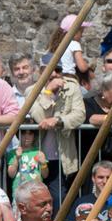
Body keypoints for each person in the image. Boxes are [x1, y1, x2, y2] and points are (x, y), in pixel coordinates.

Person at [28, 67, 84, 200]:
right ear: (40, 72)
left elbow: (80, 114)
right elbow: (40, 118)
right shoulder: (32, 90)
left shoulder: (72, 88)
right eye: (47, 69)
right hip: (37, 156)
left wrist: (59, 120)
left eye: (57, 69)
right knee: (35, 200)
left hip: (62, 156)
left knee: (59, 199)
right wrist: (48, 92)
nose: (53, 73)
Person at [7, 128, 48, 196]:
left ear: (34, 136)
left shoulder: (39, 152)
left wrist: (43, 163)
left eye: (30, 133)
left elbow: (45, 175)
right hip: (19, 193)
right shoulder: (13, 153)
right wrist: (16, 159)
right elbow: (11, 174)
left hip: (36, 191)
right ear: (18, 135)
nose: (27, 136)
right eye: (23, 133)